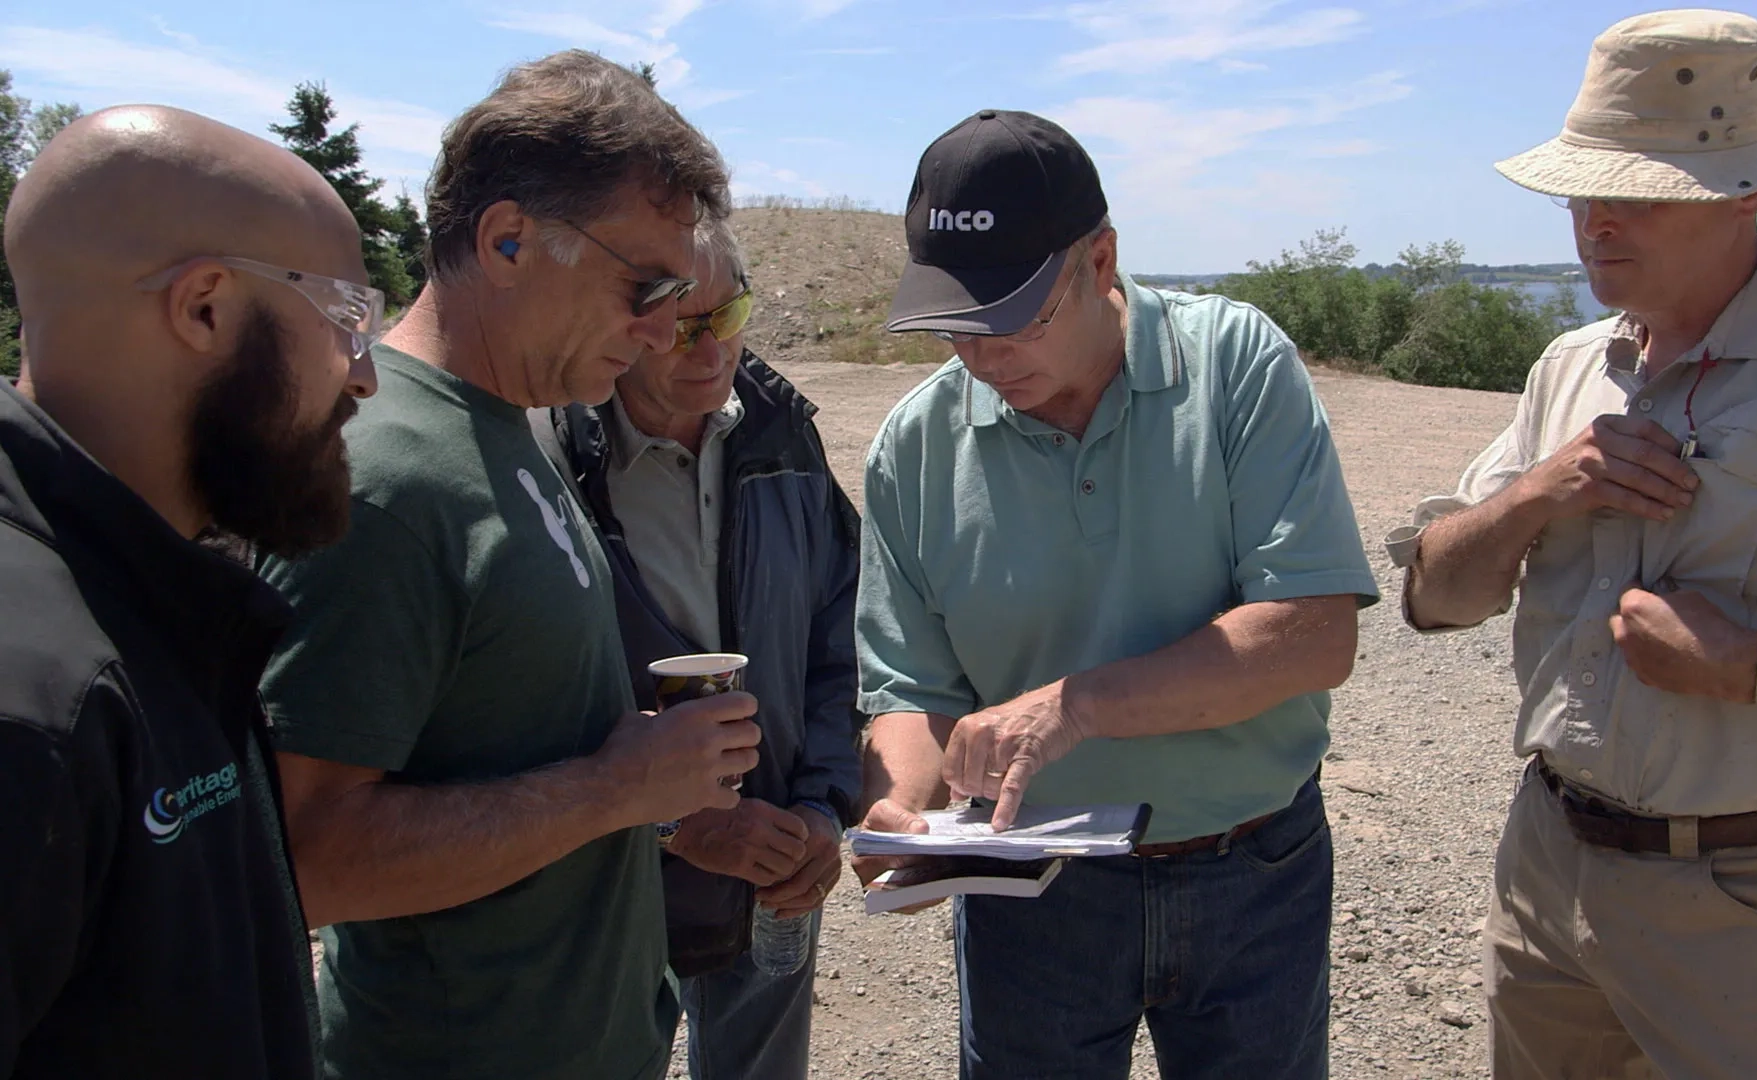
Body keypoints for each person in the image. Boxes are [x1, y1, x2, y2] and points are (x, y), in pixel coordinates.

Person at [1387, 11, 1757, 1080]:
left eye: (1639, 191)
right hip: (1545, 870)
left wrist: (1755, 667)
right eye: (1583, 189)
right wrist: (1535, 494)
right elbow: (1434, 601)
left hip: (1753, 910)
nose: (1595, 223)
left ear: (1751, 189)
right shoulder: (1568, 368)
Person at [253, 51, 763, 1080]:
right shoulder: (387, 479)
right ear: (509, 240)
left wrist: (650, 803)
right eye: (645, 285)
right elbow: (299, 858)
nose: (667, 327)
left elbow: (492, 744)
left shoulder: (503, 431)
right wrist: (610, 790)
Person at [851, 109, 1379, 1079]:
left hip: (1252, 875)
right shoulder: (913, 450)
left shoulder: (1237, 366)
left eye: (1016, 316)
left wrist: (1079, 706)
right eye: (957, 327)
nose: (984, 356)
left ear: (1101, 261)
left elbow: (1311, 636)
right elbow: (911, 689)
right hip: (1030, 894)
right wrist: (902, 810)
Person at [0, 106, 378, 1077]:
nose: (366, 376)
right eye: (346, 319)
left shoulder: (148, 588)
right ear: (205, 306)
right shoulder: (30, 699)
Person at [534, 214, 862, 1080]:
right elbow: (522, 696)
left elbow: (843, 640)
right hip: (611, 882)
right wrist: (676, 824)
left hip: (778, 862)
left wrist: (826, 810)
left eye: (732, 313)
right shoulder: (550, 460)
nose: (713, 349)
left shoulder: (784, 436)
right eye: (686, 324)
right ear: (627, 323)